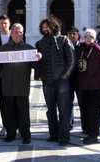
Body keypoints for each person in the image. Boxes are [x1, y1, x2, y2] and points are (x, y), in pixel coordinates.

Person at [0, 23, 41, 144]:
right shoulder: (2, 49)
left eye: (21, 32)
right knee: (8, 111)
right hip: (7, 86)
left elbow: (35, 66)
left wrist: (39, 58)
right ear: (11, 33)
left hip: (22, 86)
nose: (19, 34)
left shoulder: (29, 49)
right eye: (16, 32)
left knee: (23, 112)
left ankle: (26, 134)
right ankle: (11, 133)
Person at [36, 16, 75, 147]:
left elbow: (71, 59)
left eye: (47, 26)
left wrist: (65, 75)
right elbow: (37, 63)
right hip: (47, 81)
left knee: (64, 110)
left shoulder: (63, 40)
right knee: (50, 109)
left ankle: (64, 137)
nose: (44, 28)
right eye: (43, 27)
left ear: (53, 26)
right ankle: (54, 134)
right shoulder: (40, 43)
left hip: (61, 81)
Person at [78, 29, 100, 144]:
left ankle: (94, 135)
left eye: (90, 36)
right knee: (86, 110)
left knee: (94, 112)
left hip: (96, 86)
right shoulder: (82, 49)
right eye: (86, 36)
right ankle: (88, 131)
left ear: (94, 38)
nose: (88, 38)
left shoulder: (98, 50)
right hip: (85, 85)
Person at [66, 26, 81, 131]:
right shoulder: (64, 46)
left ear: (78, 35)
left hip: (81, 79)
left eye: (74, 33)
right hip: (68, 79)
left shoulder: (83, 46)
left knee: (82, 103)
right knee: (68, 103)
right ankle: (69, 124)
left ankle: (84, 125)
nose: (72, 35)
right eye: (70, 33)